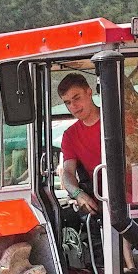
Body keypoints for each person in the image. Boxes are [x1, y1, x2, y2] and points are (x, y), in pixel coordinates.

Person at [57, 74, 102, 215]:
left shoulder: (117, 120)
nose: (73, 106)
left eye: (76, 98)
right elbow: (68, 173)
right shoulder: (70, 135)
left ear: (89, 92)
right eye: (68, 102)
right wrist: (78, 194)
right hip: (100, 200)